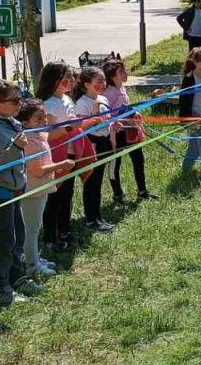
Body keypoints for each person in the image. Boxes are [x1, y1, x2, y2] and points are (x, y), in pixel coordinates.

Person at [0, 78, 42, 305]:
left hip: (14, 190)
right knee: (3, 242)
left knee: (18, 237)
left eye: (20, 96)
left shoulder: (10, 122)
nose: (20, 103)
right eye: (14, 100)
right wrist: (15, 148)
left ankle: (17, 278)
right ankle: (0, 287)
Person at [15, 99, 73, 279]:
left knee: (34, 227)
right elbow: (37, 170)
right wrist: (61, 165)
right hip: (33, 190)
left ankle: (34, 258)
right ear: (25, 123)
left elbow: (52, 132)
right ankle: (32, 266)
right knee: (31, 230)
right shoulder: (30, 142)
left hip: (41, 188)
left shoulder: (38, 135)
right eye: (38, 119)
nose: (44, 122)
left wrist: (70, 126)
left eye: (44, 117)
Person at [36, 62, 86, 251]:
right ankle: (50, 238)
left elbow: (74, 125)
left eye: (72, 77)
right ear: (55, 80)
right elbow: (47, 135)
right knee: (53, 198)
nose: (72, 81)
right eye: (67, 78)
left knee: (67, 194)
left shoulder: (67, 99)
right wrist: (71, 127)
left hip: (71, 153)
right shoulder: (47, 105)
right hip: (55, 157)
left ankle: (65, 231)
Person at [102, 58, 153, 203]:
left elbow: (126, 107)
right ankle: (118, 195)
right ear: (112, 75)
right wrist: (121, 118)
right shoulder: (107, 94)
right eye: (121, 72)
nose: (126, 73)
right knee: (115, 164)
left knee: (138, 160)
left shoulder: (122, 88)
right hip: (116, 135)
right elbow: (107, 116)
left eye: (125, 70)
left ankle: (142, 191)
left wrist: (134, 114)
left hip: (130, 132)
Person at [72, 67, 116, 233]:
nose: (103, 84)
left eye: (104, 80)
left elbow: (108, 118)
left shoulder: (103, 98)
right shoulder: (82, 103)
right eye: (99, 81)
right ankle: (91, 220)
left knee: (98, 181)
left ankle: (98, 216)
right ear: (86, 84)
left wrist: (113, 123)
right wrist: (94, 115)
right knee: (91, 182)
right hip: (92, 143)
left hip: (104, 141)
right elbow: (80, 126)